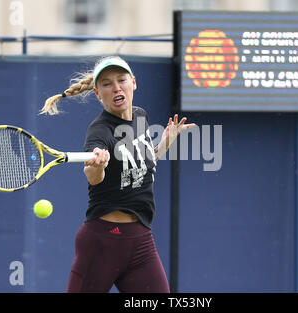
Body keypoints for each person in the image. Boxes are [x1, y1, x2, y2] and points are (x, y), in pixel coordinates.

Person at [40, 55, 195, 293]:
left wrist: (165, 142)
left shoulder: (140, 116)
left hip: (141, 242)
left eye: (121, 80)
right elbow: (93, 177)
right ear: (97, 93)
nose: (116, 87)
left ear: (133, 82)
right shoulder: (99, 131)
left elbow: (142, 164)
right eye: (107, 84)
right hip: (102, 243)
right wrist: (98, 166)